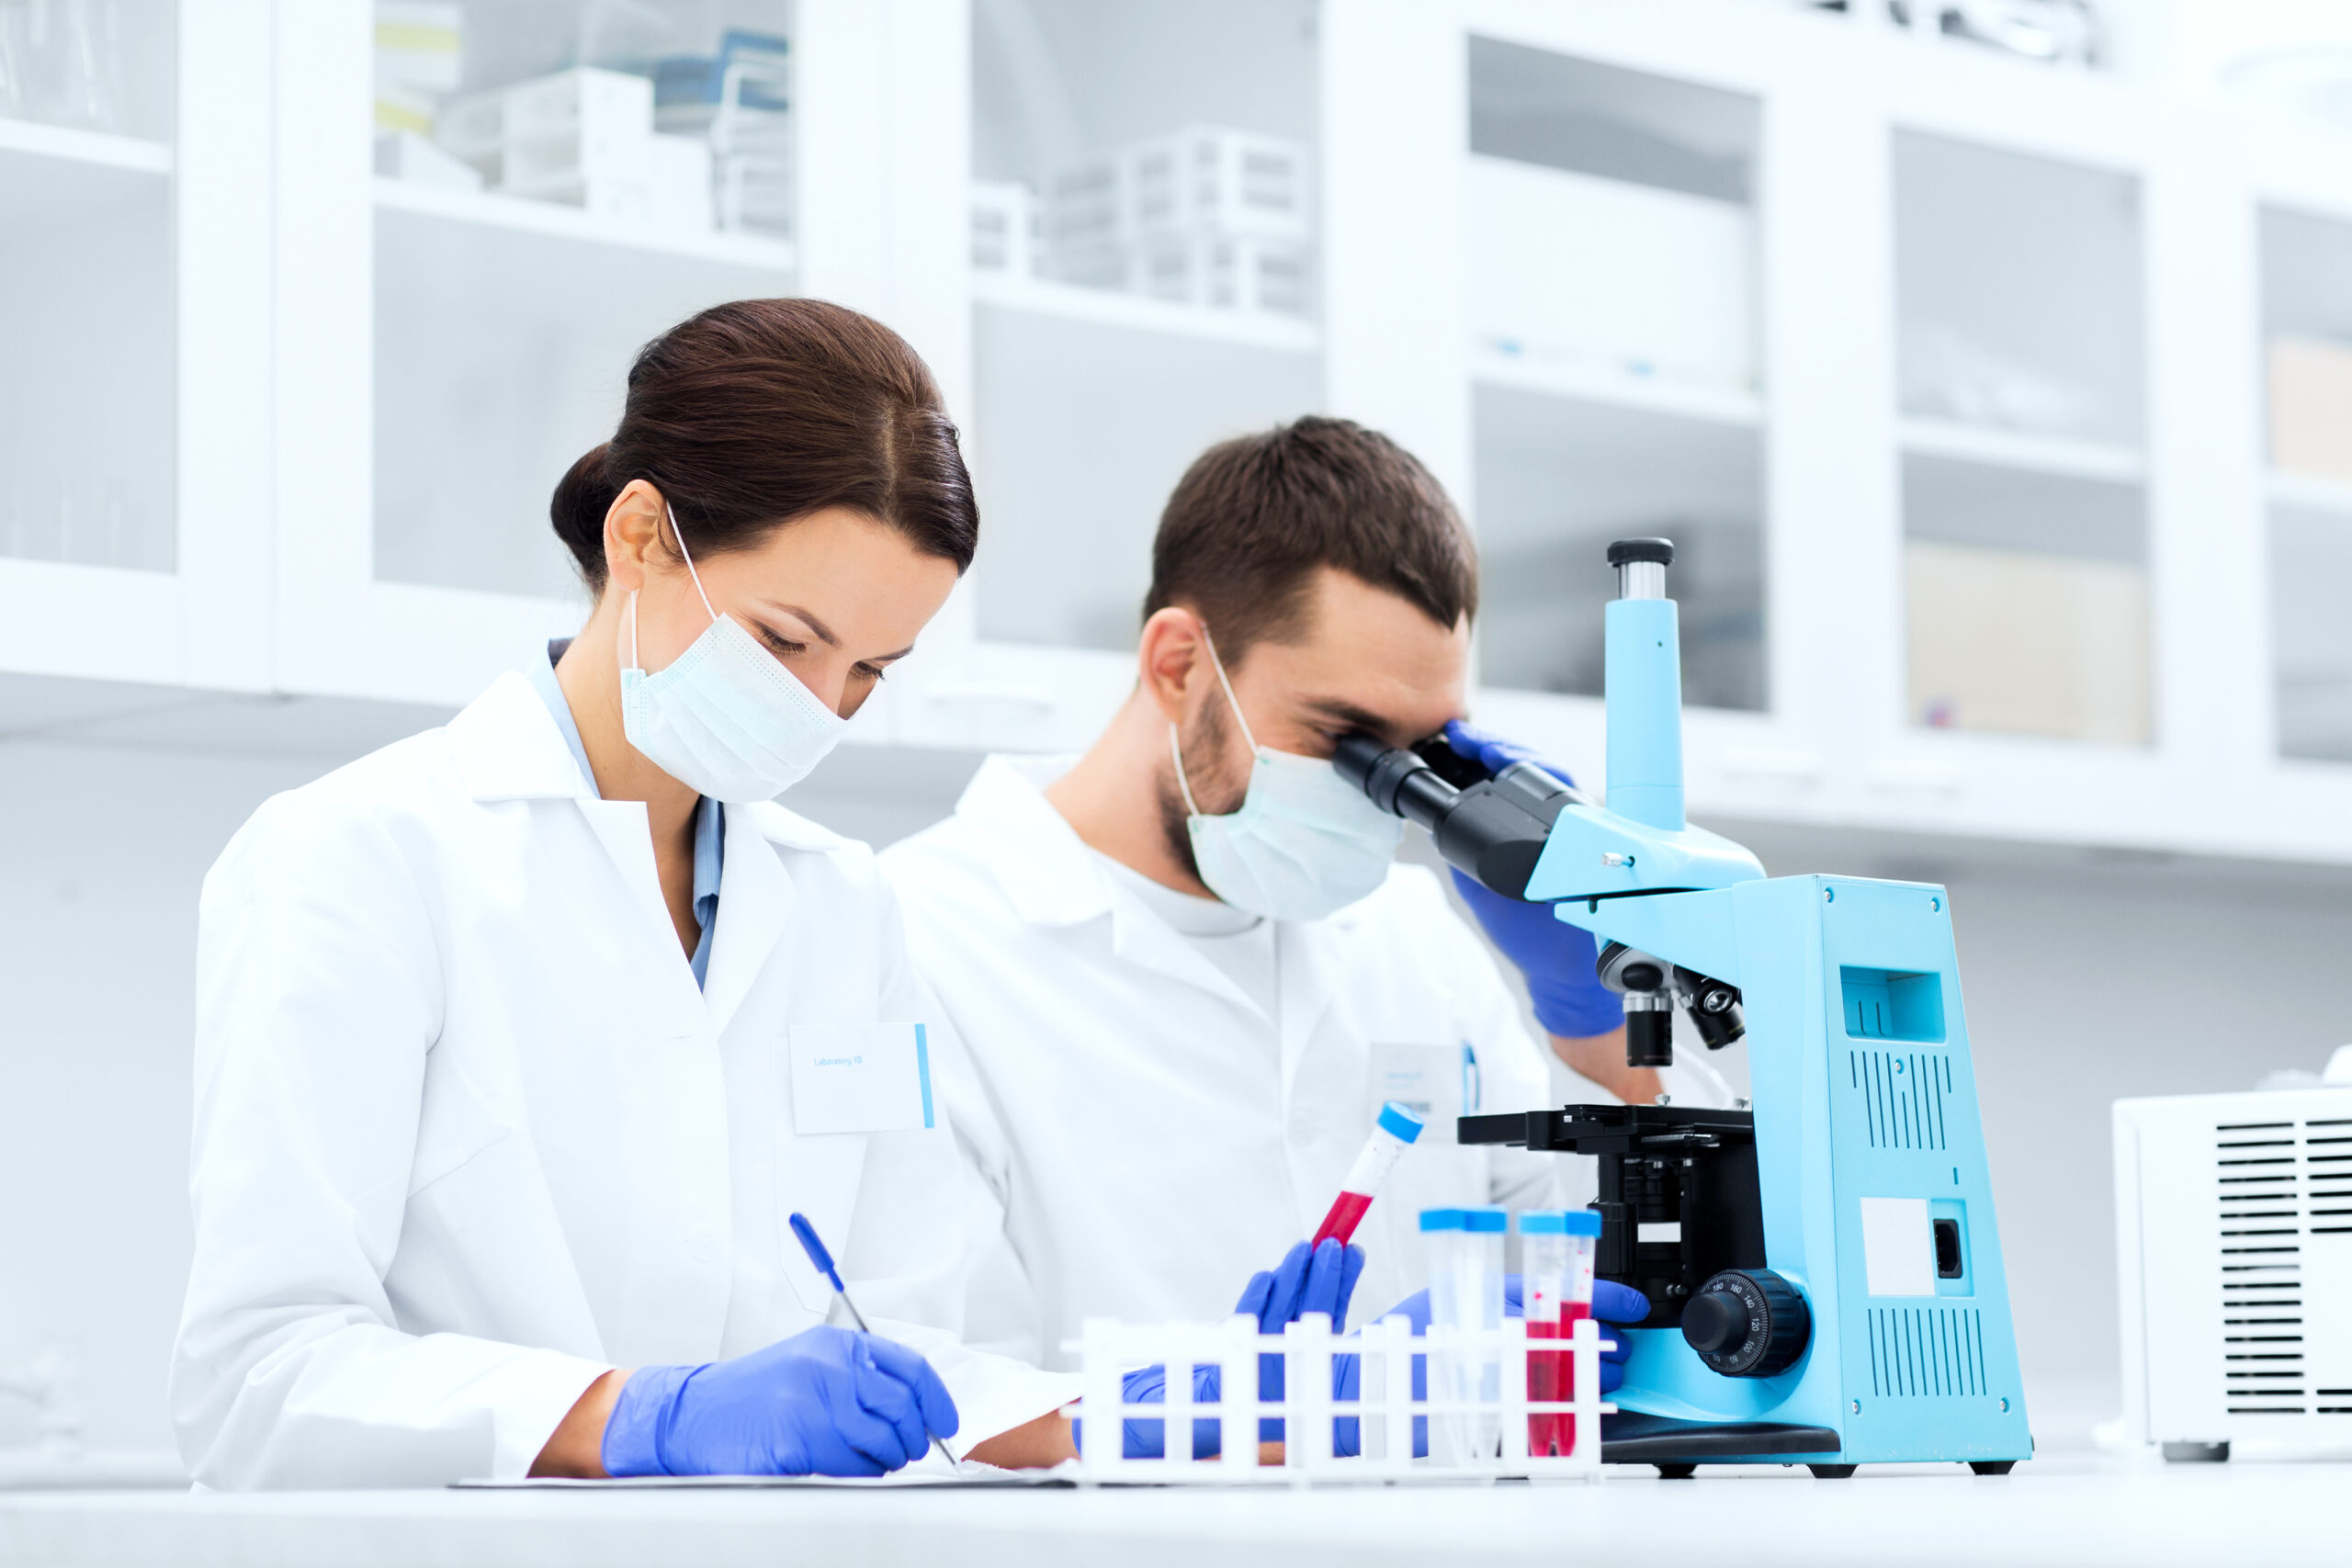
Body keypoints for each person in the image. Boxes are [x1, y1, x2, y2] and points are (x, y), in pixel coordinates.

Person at [169, 299, 1351, 1489]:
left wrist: (1106, 1416)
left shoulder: (843, 905)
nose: (819, 706)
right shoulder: (360, 856)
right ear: (640, 537)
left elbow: (908, 1338)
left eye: (868, 672)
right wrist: (648, 1413)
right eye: (787, 640)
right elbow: (259, 1374)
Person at [881, 417, 1729, 1374]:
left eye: (1417, 751)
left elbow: (1636, 1296)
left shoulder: (1415, 939)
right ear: (1178, 664)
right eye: (1344, 735)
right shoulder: (916, 939)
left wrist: (1591, 1021)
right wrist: (1292, 1401)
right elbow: (941, 1397)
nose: (1382, 791)